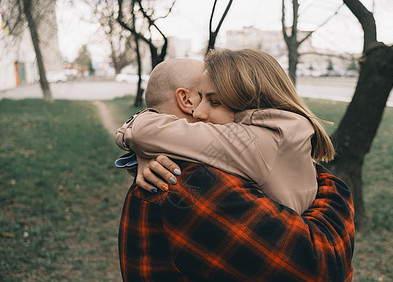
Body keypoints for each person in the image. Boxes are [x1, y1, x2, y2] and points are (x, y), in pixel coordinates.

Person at [116, 58, 355, 282]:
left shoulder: (189, 167)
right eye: (204, 95)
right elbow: (322, 273)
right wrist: (332, 189)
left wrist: (141, 143)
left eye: (217, 99)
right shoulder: (191, 183)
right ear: (187, 100)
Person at [116, 49, 335, 215]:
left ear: (248, 103)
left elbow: (144, 133)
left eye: (214, 101)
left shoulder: (253, 140)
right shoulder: (285, 129)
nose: (200, 112)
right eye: (200, 97)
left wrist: (143, 145)